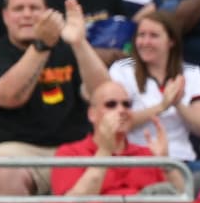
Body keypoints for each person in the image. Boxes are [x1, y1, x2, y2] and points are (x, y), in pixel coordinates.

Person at [0, 0, 110, 196]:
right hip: (13, 150)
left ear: (48, 14)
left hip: (72, 149)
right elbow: (9, 97)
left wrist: (79, 43)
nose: (27, 14)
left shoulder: (67, 49)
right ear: (5, 17)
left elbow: (104, 94)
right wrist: (42, 46)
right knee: (2, 170)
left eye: (34, 8)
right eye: (18, 9)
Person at [108, 10, 200, 170]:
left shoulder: (191, 72)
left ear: (171, 41)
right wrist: (162, 106)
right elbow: (117, 123)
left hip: (180, 160)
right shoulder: (121, 70)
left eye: (153, 36)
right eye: (141, 35)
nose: (145, 42)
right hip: (134, 159)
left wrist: (178, 104)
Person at [51, 79, 180, 195]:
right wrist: (105, 151)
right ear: (92, 114)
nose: (121, 110)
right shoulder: (70, 153)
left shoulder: (147, 155)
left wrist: (166, 164)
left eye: (127, 104)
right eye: (111, 105)